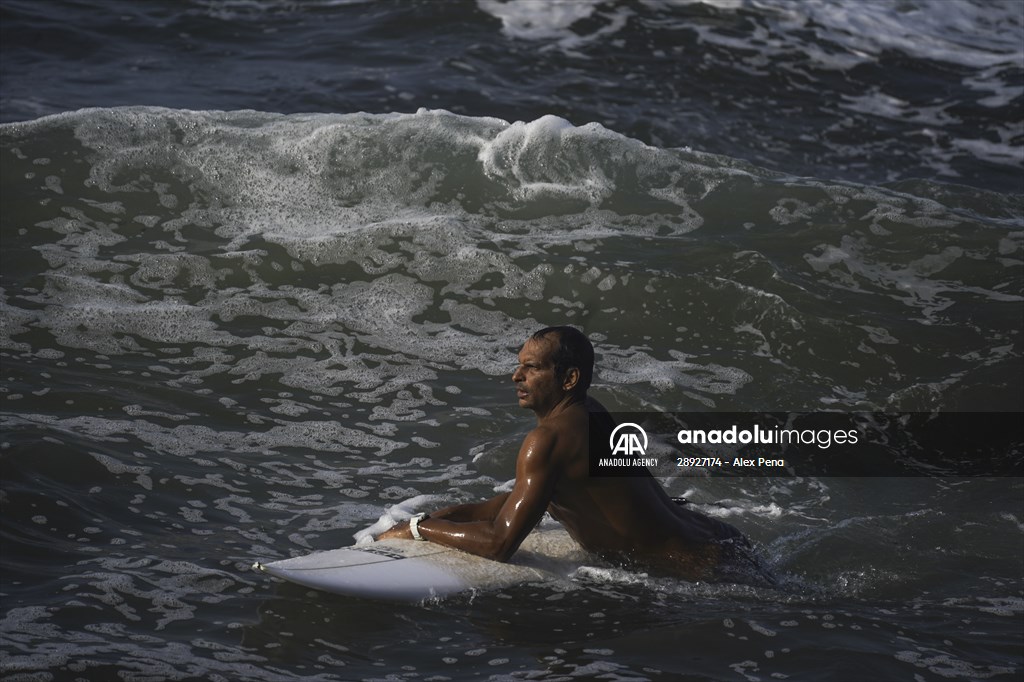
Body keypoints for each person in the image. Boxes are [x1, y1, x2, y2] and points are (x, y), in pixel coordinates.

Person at [378, 326, 766, 582]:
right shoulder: (592, 412)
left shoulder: (547, 440)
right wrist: (438, 517)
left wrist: (419, 530)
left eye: (530, 368)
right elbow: (523, 502)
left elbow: (499, 545)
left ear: (569, 378)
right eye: (519, 367)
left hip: (693, 572)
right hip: (722, 541)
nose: (516, 377)